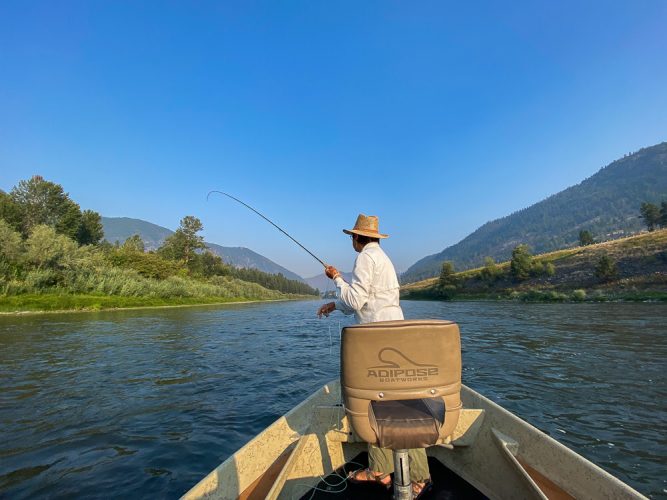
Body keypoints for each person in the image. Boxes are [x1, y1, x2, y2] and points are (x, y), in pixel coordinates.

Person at [317, 214, 432, 498]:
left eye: (351, 237)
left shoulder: (365, 259)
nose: (351, 241)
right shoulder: (382, 258)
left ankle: (413, 475)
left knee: (378, 403)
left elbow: (356, 299)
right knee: (393, 404)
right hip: (393, 335)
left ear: (357, 238)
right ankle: (387, 469)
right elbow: (366, 300)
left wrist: (337, 279)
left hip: (377, 339)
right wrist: (336, 303)